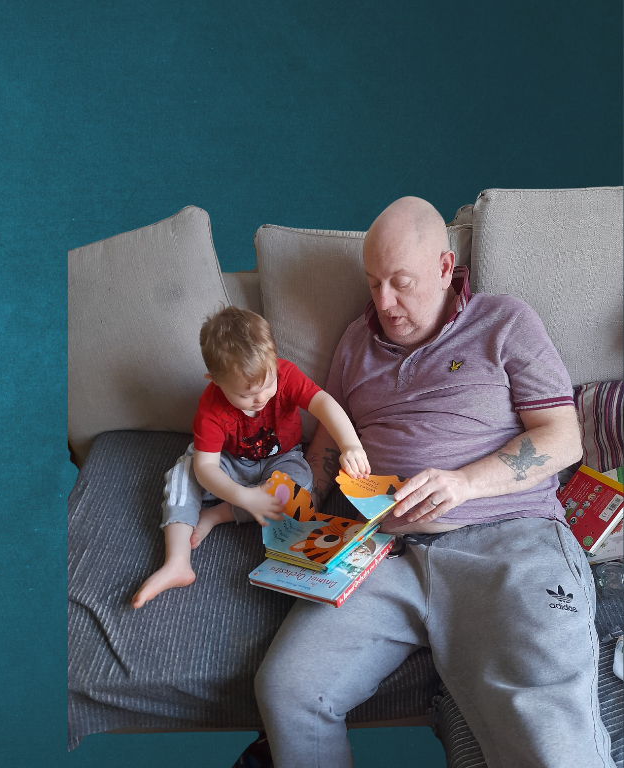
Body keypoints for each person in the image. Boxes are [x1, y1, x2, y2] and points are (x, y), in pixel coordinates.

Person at [254, 197, 612, 767]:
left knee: (548, 734)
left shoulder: (504, 322)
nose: (385, 304)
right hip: (381, 550)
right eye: (373, 284)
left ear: (447, 268)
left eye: (401, 283)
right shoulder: (354, 344)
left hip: (506, 541)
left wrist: (465, 483)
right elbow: (325, 451)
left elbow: (563, 437)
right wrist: (291, 507)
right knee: (287, 689)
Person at [132, 307, 371, 608]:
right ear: (215, 381)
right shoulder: (210, 408)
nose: (261, 399)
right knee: (183, 473)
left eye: (268, 384)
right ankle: (177, 560)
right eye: (246, 395)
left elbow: (324, 403)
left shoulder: (285, 374)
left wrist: (350, 445)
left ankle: (219, 514)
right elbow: (206, 468)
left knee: (300, 491)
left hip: (281, 459)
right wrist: (244, 496)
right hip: (228, 465)